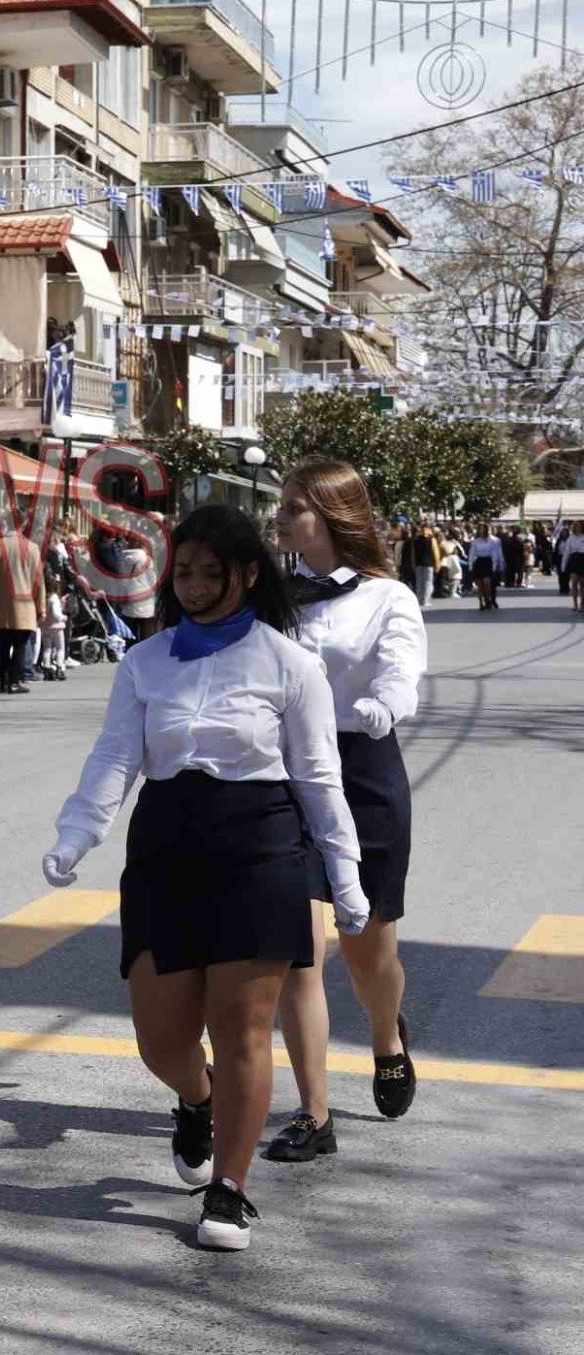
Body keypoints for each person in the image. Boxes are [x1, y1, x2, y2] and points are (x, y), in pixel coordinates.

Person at [43, 504, 368, 1252]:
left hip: (262, 850)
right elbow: (115, 758)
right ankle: (198, 1097)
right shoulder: (145, 662)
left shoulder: (291, 665)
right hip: (167, 849)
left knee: (244, 1026)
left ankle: (230, 1188)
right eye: (180, 572)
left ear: (247, 575)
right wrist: (77, 831)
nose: (190, 586)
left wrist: (345, 879)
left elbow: (320, 779)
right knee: (161, 1038)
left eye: (206, 572)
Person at [264, 458, 427, 1164]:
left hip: (362, 770)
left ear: (334, 514)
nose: (283, 516)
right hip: (287, 777)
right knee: (300, 952)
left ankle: (387, 1036)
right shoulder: (269, 596)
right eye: (283, 505)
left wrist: (385, 706)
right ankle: (313, 1112)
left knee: (369, 953)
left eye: (296, 506)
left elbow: (401, 671)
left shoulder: (388, 597)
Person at [0, 518, 47, 694]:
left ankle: (3, 681)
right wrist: (41, 607)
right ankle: (14, 681)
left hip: (2, 603)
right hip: (25, 603)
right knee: (21, 644)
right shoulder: (32, 548)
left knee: (3, 644)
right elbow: (38, 581)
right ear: (21, 525)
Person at [467, 524, 504, 611]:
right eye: (480, 529)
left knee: (487, 582)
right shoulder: (475, 541)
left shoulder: (492, 541)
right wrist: (470, 565)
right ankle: (481, 603)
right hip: (479, 561)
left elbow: (495, 553)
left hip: (488, 561)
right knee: (479, 584)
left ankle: (488, 599)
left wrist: (495, 565)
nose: (482, 531)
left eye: (483, 529)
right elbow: (472, 554)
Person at [562, 526, 584, 613]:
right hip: (574, 560)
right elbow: (567, 552)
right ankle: (575, 604)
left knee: (582, 585)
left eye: (579, 526)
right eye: (576, 527)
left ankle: (582, 604)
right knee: (574, 583)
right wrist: (563, 565)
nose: (578, 528)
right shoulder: (570, 538)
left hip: (583, 559)